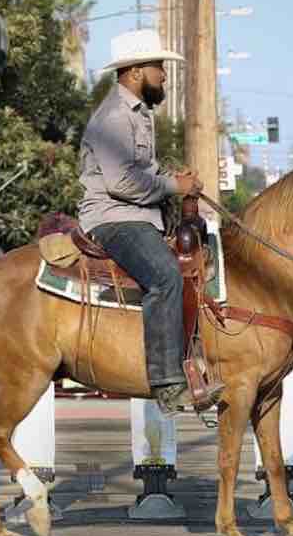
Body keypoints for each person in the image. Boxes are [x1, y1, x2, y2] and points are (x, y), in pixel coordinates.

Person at [78, 29, 223, 414]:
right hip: (114, 219)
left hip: (140, 218)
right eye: (158, 66)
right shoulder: (113, 117)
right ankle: (167, 383)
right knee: (164, 276)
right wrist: (175, 185)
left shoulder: (139, 114)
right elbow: (123, 182)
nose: (163, 73)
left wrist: (177, 179)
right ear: (136, 70)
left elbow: (144, 169)